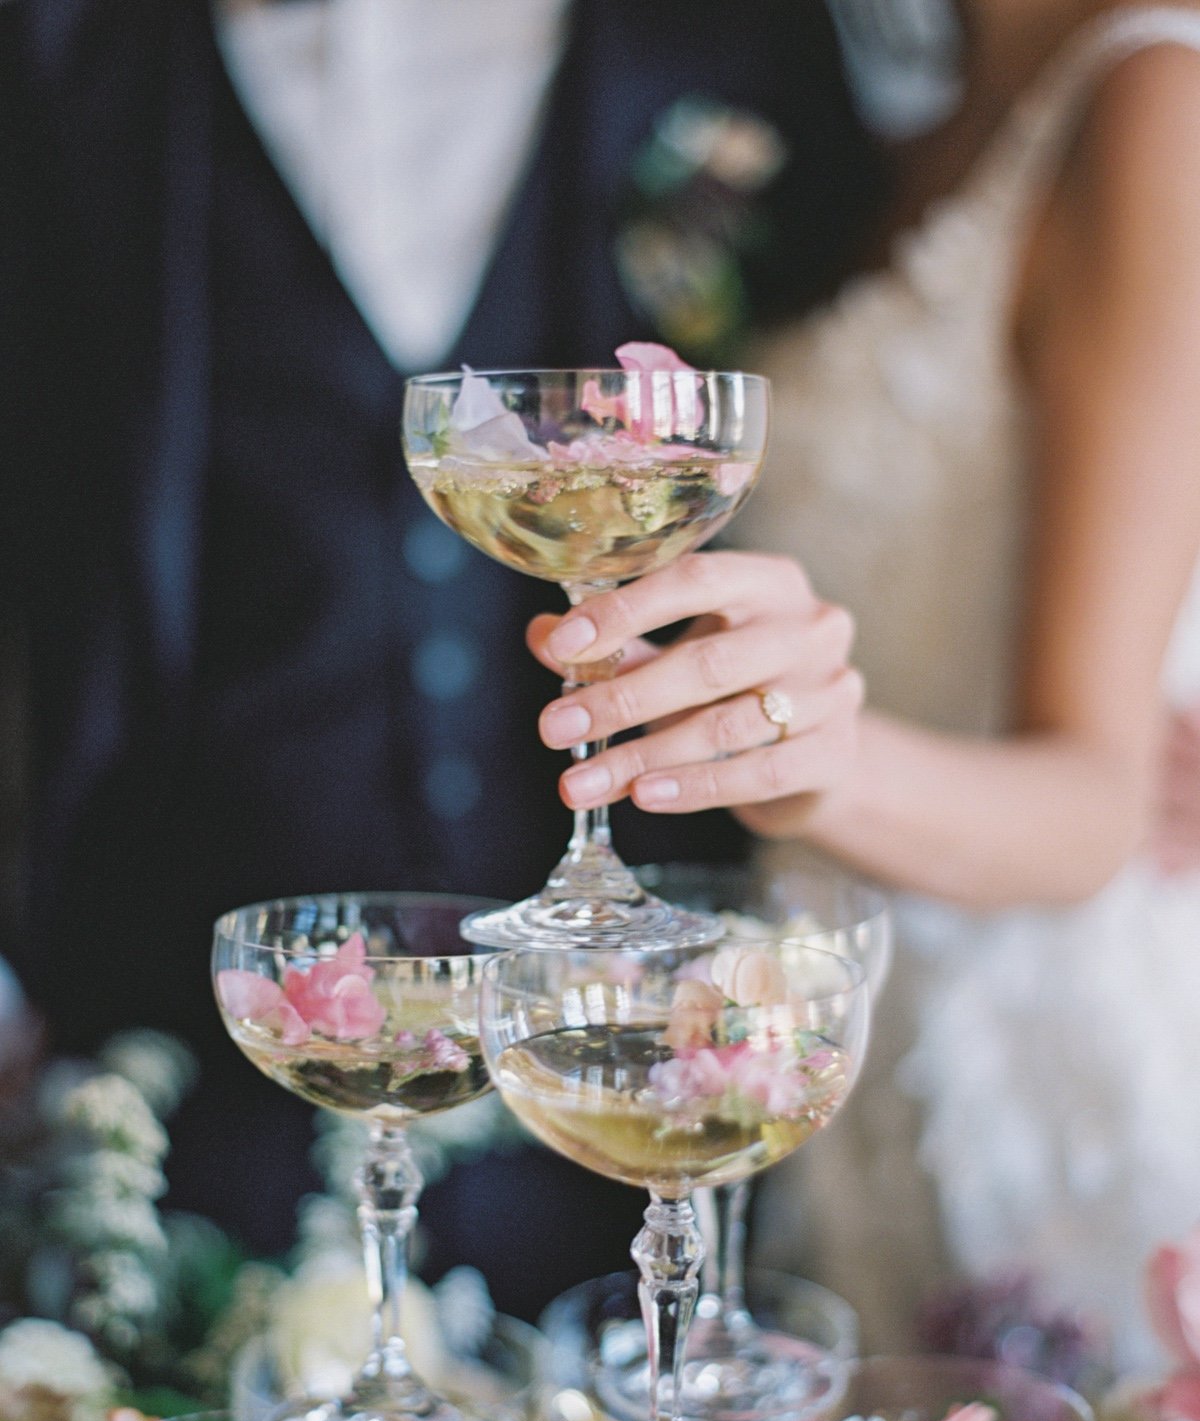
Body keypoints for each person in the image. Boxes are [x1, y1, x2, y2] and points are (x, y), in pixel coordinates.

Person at [0, 0, 886, 1318]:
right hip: (183, 1041)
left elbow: (887, 359)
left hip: (634, 1051)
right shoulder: (67, 54)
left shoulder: (734, 44)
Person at [524, 1, 1200, 1370]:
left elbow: (1094, 809)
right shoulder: (875, 114)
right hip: (829, 1021)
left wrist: (809, 759)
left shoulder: (1156, 108)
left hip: (1042, 1059)